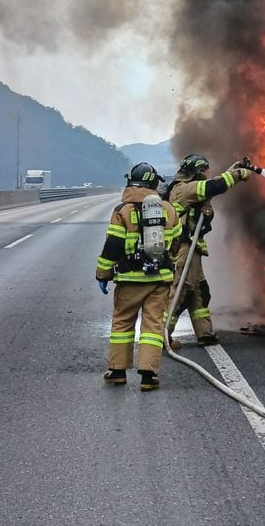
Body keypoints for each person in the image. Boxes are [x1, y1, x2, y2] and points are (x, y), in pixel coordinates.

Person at [95, 162, 180, 391]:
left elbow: (113, 246)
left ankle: (117, 371)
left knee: (123, 323)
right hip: (159, 280)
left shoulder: (122, 210)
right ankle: (148, 375)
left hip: (129, 279)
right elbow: (176, 243)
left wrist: (103, 273)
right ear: (154, 183)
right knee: (152, 326)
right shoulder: (169, 209)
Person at [165, 153, 251, 348]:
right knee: (178, 293)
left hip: (193, 251)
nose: (207, 173)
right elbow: (214, 186)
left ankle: (205, 334)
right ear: (197, 172)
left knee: (200, 292)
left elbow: (211, 185)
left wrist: (232, 168)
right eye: (204, 170)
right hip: (183, 251)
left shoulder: (191, 187)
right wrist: (238, 175)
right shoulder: (184, 189)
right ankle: (162, 335)